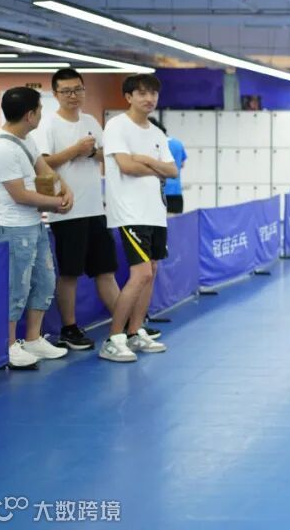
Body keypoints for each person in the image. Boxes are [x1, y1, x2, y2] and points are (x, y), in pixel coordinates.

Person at [30, 69, 120, 351]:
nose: (73, 95)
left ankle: (125, 325)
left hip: (95, 210)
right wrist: (75, 150)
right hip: (66, 211)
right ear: (55, 94)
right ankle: (69, 329)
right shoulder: (48, 125)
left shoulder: (91, 121)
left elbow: (106, 155)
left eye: (78, 89)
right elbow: (42, 164)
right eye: (66, 91)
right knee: (70, 273)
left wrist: (91, 152)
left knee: (106, 270)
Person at [0, 87, 73, 369]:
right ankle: (9, 345)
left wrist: (64, 189)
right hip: (12, 230)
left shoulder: (26, 139)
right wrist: (56, 203)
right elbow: (19, 195)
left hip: (35, 226)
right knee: (16, 288)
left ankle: (33, 339)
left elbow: (43, 168)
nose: (42, 114)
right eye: (40, 109)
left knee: (44, 281)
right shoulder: (2, 149)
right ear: (30, 115)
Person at [100, 74, 177, 362]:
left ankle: (135, 331)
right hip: (130, 212)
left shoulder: (156, 133)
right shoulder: (117, 126)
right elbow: (126, 166)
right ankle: (113, 338)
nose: (149, 99)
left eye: (153, 93)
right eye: (142, 93)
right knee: (141, 273)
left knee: (151, 271)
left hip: (155, 211)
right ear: (129, 97)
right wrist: (155, 168)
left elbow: (173, 171)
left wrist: (145, 160)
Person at [148, 117, 188, 215]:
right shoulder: (178, 144)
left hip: (158, 193)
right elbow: (182, 164)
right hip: (176, 192)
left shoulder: (154, 145)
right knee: (175, 222)